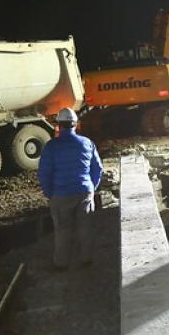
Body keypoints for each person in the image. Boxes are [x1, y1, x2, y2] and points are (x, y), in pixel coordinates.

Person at [37, 108, 103, 270]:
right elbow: (98, 168)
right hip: (84, 191)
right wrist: (91, 187)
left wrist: (49, 193)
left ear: (59, 126)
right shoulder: (87, 143)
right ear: (75, 124)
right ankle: (87, 259)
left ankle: (61, 264)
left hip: (60, 194)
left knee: (62, 230)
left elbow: (44, 173)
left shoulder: (51, 147)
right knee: (85, 226)